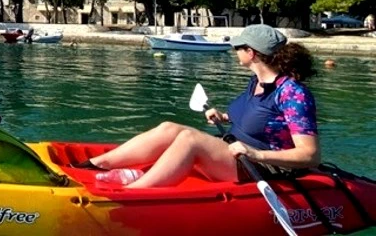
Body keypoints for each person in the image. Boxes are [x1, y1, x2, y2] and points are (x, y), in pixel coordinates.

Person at [78, 24, 320, 188]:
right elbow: (262, 119)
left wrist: (257, 154)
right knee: (170, 128)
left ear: (251, 52)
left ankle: (132, 194)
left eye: (238, 47)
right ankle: (94, 165)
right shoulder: (256, 81)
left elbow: (310, 155)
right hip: (236, 152)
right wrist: (224, 116)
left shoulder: (292, 93)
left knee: (190, 139)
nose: (234, 51)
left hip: (265, 166)